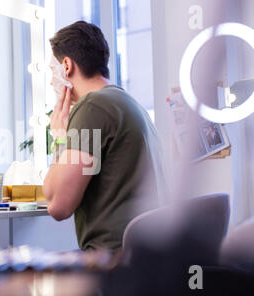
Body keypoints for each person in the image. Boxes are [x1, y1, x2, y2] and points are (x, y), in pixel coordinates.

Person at [43, 21, 168, 251]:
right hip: (144, 257)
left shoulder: (93, 106)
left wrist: (60, 138)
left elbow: (58, 206)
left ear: (67, 66)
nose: (51, 81)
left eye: (52, 70)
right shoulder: (127, 103)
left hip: (111, 262)